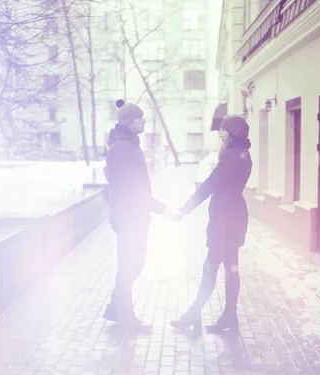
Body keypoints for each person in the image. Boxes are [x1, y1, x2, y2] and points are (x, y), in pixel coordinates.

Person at [170, 115, 253, 332]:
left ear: (232, 134)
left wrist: (184, 209)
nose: (220, 134)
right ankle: (229, 316)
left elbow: (210, 184)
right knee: (231, 268)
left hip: (225, 220)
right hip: (233, 217)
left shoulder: (232, 157)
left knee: (211, 268)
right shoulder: (243, 154)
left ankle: (194, 314)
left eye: (224, 130)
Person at [103, 99, 175, 326]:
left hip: (133, 216)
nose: (144, 120)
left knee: (133, 262)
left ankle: (117, 308)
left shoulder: (128, 146)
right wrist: (161, 208)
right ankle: (125, 316)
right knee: (130, 263)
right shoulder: (123, 149)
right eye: (140, 117)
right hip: (129, 217)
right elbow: (131, 187)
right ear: (130, 121)